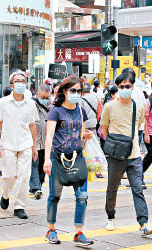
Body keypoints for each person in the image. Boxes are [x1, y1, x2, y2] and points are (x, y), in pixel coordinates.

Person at [100, 73, 152, 236]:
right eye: (122, 86)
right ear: (117, 88)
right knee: (112, 188)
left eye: (128, 86)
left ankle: (143, 223)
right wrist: (116, 145)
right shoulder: (109, 107)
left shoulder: (138, 106)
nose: (125, 89)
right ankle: (110, 217)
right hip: (116, 156)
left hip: (134, 155)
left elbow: (140, 124)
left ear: (133, 87)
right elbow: (104, 130)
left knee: (138, 189)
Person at [43, 76, 94, 246]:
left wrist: (86, 136)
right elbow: (49, 136)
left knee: (82, 196)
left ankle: (78, 232)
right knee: (54, 196)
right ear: (64, 91)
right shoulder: (55, 111)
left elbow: (82, 135)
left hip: (78, 157)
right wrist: (46, 160)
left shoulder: (81, 110)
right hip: (58, 158)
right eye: (73, 90)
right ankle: (51, 229)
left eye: (79, 91)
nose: (76, 94)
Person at [0, 69, 39, 219]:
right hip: (8, 144)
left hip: (26, 144)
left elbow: (32, 126)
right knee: (8, 175)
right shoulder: (3, 102)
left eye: (22, 81)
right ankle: (5, 195)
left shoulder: (31, 104)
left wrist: (34, 147)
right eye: (17, 81)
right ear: (11, 85)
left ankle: (19, 206)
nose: (20, 84)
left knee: (24, 176)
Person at [29, 84, 51, 200]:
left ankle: (38, 186)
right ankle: (36, 188)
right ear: (37, 94)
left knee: (43, 166)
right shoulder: (30, 105)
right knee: (34, 164)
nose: (46, 100)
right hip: (34, 142)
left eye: (48, 97)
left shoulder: (51, 106)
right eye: (43, 97)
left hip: (46, 143)